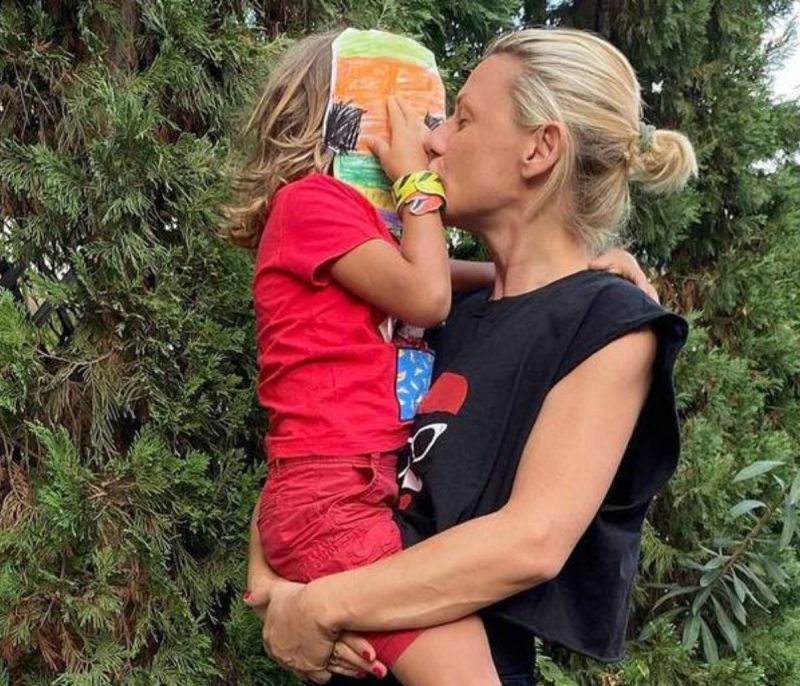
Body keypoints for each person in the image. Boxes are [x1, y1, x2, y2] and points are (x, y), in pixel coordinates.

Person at [243, 26, 697, 686]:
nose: (433, 142)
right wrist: (275, 590)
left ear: (540, 149)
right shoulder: (435, 312)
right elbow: (313, 440)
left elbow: (531, 542)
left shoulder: (606, 322)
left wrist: (318, 605)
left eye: (462, 118)